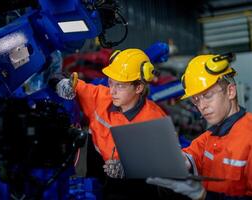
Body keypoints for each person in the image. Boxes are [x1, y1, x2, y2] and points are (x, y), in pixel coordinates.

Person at [53, 48, 167, 199]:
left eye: (120, 86)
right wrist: (61, 83)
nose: (112, 91)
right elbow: (58, 76)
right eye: (111, 83)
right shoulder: (100, 98)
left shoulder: (154, 119)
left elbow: (167, 164)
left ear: (138, 87)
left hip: (136, 184)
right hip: (99, 169)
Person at [146, 53, 252, 200]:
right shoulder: (209, 138)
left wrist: (202, 195)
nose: (202, 106)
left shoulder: (249, 137)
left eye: (208, 95)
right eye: (196, 99)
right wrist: (173, 160)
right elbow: (188, 157)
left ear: (230, 91)